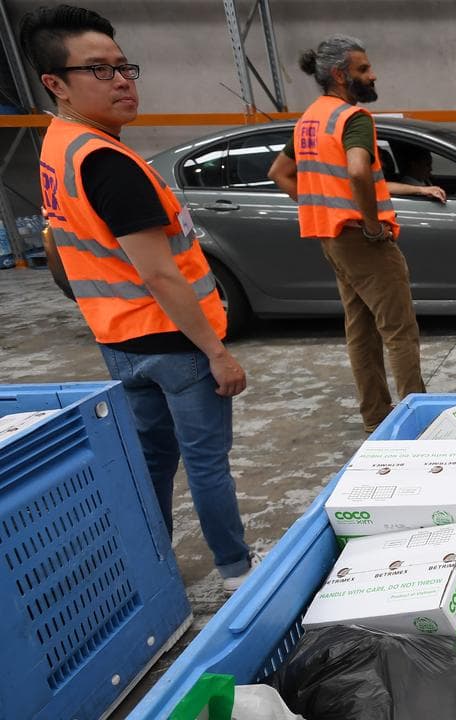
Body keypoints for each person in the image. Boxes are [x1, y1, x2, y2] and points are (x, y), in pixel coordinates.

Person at [20, 4, 257, 592]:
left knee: (151, 456)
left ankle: (153, 561)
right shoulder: (110, 164)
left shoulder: (59, 146)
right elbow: (161, 275)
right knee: (205, 460)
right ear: (56, 84)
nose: (122, 80)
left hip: (118, 337)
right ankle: (236, 571)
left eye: (124, 66)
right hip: (172, 339)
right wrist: (217, 353)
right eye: (99, 70)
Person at [267, 35, 425, 432]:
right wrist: (372, 226)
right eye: (363, 69)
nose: (373, 75)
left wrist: (322, 204)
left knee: (361, 330)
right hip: (362, 240)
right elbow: (357, 170)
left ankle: (376, 417)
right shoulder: (352, 118)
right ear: (340, 75)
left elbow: (279, 174)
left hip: (332, 240)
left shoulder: (310, 120)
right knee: (400, 332)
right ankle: (418, 423)